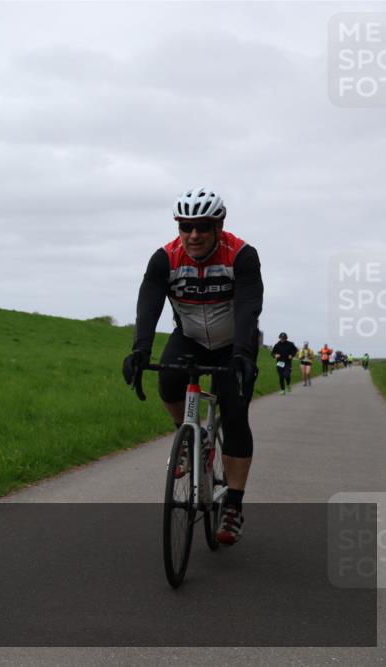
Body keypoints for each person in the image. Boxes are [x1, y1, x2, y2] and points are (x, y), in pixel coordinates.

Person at [123, 187, 263, 546]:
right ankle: (190, 437)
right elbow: (149, 305)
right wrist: (139, 350)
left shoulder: (242, 256)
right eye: (185, 226)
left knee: (233, 415)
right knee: (168, 383)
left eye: (201, 226)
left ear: (218, 225)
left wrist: (245, 355)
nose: (193, 235)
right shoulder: (165, 259)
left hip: (234, 342)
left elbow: (248, 308)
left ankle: (232, 503)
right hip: (189, 338)